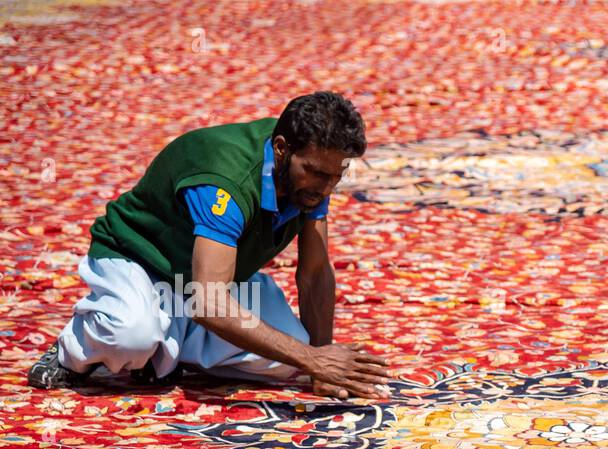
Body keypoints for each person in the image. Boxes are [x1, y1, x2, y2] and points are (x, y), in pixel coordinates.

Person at [28, 91, 388, 399]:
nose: (326, 188)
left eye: (336, 177)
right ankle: (72, 351)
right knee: (129, 335)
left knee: (285, 358)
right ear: (281, 149)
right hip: (138, 260)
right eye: (319, 174)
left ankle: (163, 354)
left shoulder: (308, 173)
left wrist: (319, 359)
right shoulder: (225, 182)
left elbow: (314, 272)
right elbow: (208, 303)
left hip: (204, 277)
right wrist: (313, 358)